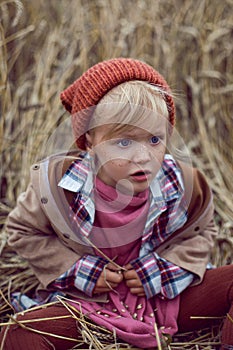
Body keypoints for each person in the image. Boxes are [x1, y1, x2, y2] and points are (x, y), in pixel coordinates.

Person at [0, 58, 232, 350]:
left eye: (154, 139)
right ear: (90, 142)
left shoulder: (181, 182)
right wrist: (81, 271)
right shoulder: (58, 186)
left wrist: (160, 271)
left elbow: (200, 231)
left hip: (166, 298)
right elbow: (23, 231)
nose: (144, 156)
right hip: (86, 304)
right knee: (17, 336)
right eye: (124, 143)